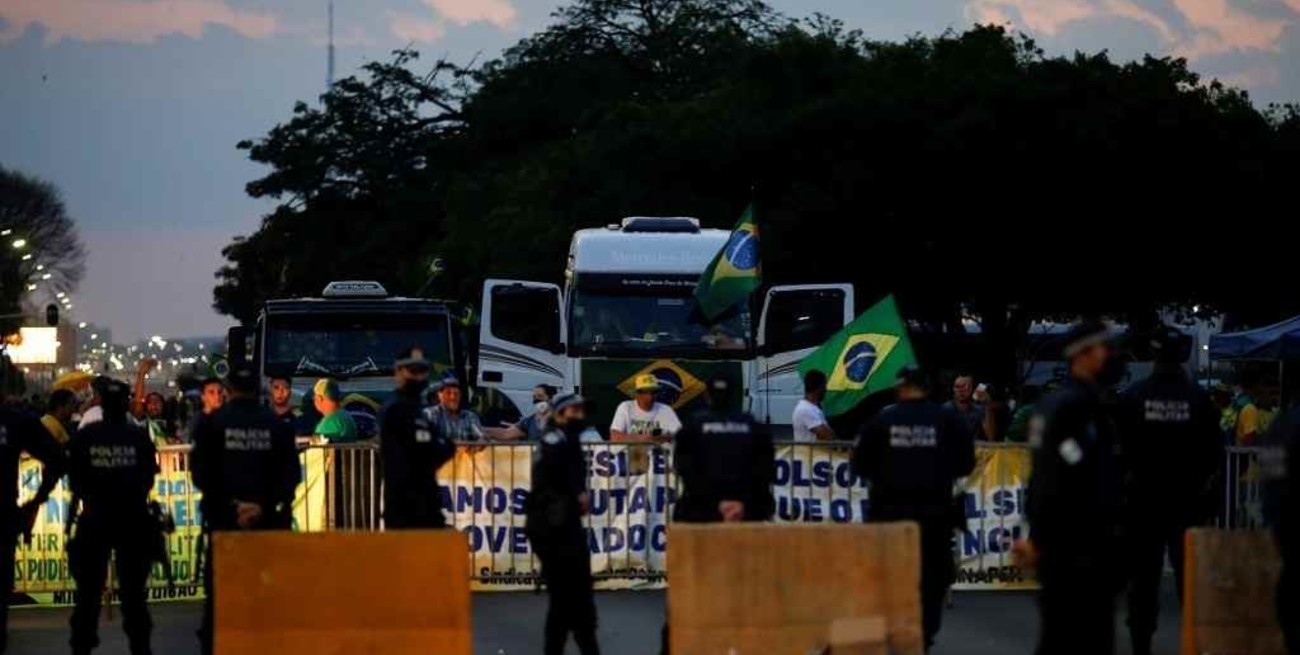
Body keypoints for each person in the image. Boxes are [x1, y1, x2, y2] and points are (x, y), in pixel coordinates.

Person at [1014, 321, 1126, 655]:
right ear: (1082, 355)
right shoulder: (1072, 406)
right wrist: (1038, 539)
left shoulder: (1081, 403)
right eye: (1104, 348)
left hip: (1085, 546)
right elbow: (1051, 477)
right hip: (1076, 548)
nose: (1110, 356)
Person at [1115, 327, 1222, 655]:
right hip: (1187, 504)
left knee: (1142, 582)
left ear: (1153, 355)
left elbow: (1118, 453)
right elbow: (1214, 455)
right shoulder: (1199, 399)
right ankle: (1195, 645)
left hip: (1142, 506)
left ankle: (1141, 644)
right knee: (1190, 581)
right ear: (1183, 357)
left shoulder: (1133, 397)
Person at [852, 365, 975, 650]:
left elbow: (860, 464)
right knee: (931, 582)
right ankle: (923, 637)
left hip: (890, 520)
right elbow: (966, 463)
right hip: (934, 519)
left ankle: (895, 631)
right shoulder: (947, 420)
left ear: (900, 388)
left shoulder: (882, 421)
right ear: (927, 388)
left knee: (890, 580)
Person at [190, 367, 300, 655]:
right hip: (268, 522)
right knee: (268, 596)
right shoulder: (277, 425)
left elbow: (201, 475)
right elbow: (290, 477)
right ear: (258, 388)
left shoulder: (212, 425)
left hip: (224, 522)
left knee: (219, 599)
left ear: (229, 389)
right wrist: (262, 506)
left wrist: (233, 506)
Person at [66, 378, 158, 655]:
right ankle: (140, 648)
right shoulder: (138, 437)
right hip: (132, 520)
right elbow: (148, 478)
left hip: (95, 519)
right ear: (125, 404)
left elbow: (75, 478)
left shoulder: (86, 435)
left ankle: (82, 646)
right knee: (134, 598)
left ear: (102, 403)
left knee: (88, 597)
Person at [525, 393, 600, 655]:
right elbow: (549, 484)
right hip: (553, 530)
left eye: (581, 410)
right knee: (568, 602)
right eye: (573, 411)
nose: (579, 415)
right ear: (558, 414)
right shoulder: (554, 441)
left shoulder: (569, 439)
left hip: (567, 528)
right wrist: (575, 494)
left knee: (572, 603)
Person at [0, 394, 65, 654]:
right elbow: (58, 459)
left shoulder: (15, 420)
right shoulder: (15, 420)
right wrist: (35, 502)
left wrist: (35, 502)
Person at [380, 347, 455, 528]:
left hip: (428, 504)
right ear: (398, 373)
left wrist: (435, 448)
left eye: (423, 371)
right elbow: (416, 455)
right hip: (404, 507)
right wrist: (433, 448)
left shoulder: (419, 409)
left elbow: (442, 448)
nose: (419, 377)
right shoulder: (395, 410)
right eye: (413, 371)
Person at [610, 374, 681, 442]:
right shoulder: (625, 407)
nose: (650, 396)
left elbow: (678, 435)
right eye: (645, 392)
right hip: (629, 450)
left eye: (653, 392)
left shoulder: (666, 409)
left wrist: (658, 437)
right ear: (636, 394)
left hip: (658, 450)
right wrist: (644, 438)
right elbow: (615, 437)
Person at [425, 372, 485, 441]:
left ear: (460, 396)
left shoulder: (470, 417)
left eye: (456, 393)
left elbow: (481, 438)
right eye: (448, 393)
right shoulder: (430, 414)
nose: (453, 397)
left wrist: (481, 440)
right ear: (439, 395)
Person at [486, 384, 556, 441]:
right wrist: (484, 431)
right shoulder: (529, 421)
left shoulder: (558, 419)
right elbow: (506, 434)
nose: (537, 400)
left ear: (550, 398)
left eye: (540, 396)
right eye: (534, 397)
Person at [792, 369, 835, 442]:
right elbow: (827, 435)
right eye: (824, 386)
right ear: (819, 387)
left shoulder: (811, 408)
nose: (826, 390)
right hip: (809, 450)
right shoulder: (805, 409)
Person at [311, 378, 358, 443]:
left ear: (319, 399)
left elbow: (319, 447)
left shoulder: (329, 423)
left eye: (314, 398)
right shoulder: (345, 415)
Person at [185, 377, 225, 442]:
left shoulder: (227, 416)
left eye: (219, 392)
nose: (217, 396)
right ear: (203, 396)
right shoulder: (199, 419)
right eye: (211, 392)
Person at [944, 374, 984, 438]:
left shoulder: (979, 409)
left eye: (966, 387)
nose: (961, 390)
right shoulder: (946, 409)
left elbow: (991, 438)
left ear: (973, 389)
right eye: (958, 387)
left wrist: (987, 405)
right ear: (953, 389)